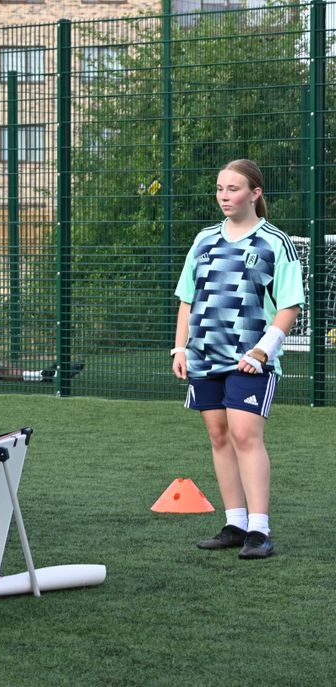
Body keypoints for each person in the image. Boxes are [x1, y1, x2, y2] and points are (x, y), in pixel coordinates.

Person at [172, 159, 304, 560]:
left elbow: (290, 305)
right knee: (219, 436)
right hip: (204, 356)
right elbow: (187, 297)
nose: (224, 196)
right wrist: (180, 347)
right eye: (219, 189)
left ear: (255, 193)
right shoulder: (204, 239)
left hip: (252, 361)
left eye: (233, 189)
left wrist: (264, 350)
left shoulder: (274, 242)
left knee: (246, 436)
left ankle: (259, 531)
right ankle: (235, 523)